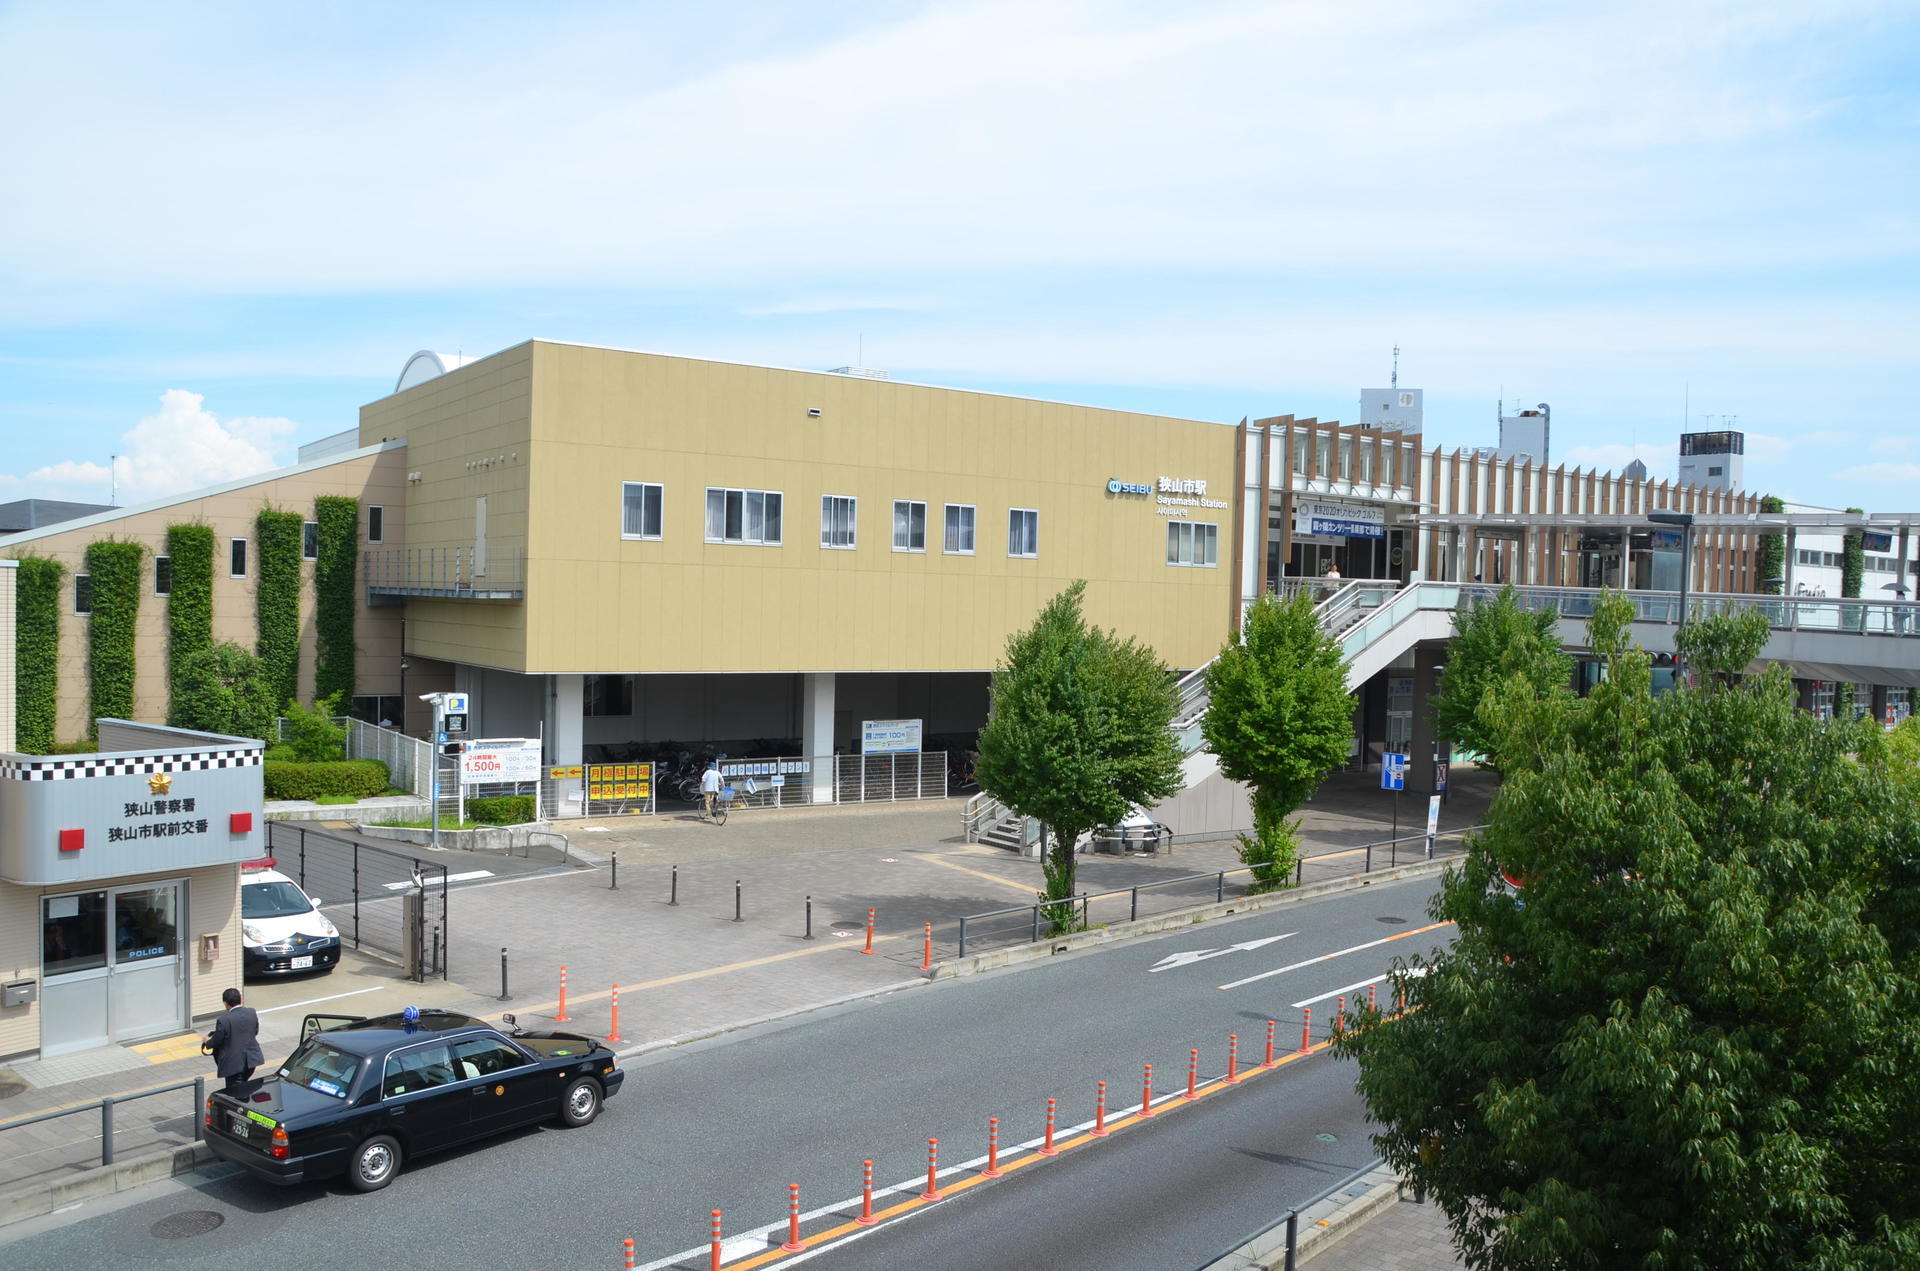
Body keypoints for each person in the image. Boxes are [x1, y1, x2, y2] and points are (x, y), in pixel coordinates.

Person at [203, 987, 264, 1094]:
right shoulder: (251, 1012)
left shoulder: (224, 1020)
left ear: (225, 1003)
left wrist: (207, 1041)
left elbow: (217, 1041)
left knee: (235, 1092)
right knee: (243, 1086)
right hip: (251, 1060)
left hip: (233, 1064)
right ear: (241, 999)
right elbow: (255, 1031)